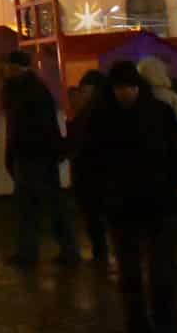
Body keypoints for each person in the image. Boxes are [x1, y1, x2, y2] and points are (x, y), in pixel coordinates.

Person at [76, 62, 177, 333]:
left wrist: (168, 185)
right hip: (125, 204)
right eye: (120, 88)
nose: (125, 93)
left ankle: (161, 318)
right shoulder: (102, 117)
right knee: (132, 269)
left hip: (154, 201)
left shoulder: (155, 113)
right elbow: (87, 162)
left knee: (159, 266)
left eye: (129, 87)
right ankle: (140, 319)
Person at [0, 50, 79, 265]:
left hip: (33, 155)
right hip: (36, 155)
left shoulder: (22, 91)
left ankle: (33, 252)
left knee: (34, 207)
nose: (3, 69)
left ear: (15, 67)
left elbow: (25, 127)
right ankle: (64, 249)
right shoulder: (33, 89)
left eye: (6, 65)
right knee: (46, 205)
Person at [68, 70, 111, 263]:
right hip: (94, 171)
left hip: (92, 172)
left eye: (85, 89)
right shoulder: (94, 111)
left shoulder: (92, 113)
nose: (82, 93)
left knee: (95, 216)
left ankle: (101, 253)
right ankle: (101, 251)